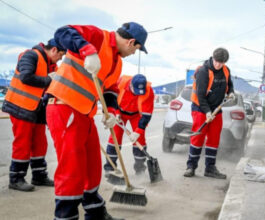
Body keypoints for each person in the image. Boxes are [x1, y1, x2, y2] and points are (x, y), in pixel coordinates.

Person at [45, 22, 147, 220]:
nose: (135, 53)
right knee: (72, 169)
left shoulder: (117, 62)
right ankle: (65, 216)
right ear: (131, 41)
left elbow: (110, 90)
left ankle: (96, 213)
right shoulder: (97, 36)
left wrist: (112, 112)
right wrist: (88, 50)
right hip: (64, 107)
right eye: (136, 49)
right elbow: (62, 32)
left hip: (84, 114)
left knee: (92, 168)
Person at [2, 39, 65, 192]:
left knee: (40, 143)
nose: (60, 59)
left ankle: (39, 175)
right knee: (22, 143)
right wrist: (49, 79)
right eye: (61, 55)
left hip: (37, 109)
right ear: (54, 50)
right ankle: (16, 178)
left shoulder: (52, 65)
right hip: (21, 106)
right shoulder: (31, 55)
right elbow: (25, 77)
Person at [184, 47, 235, 179]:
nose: (218, 65)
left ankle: (210, 168)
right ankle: (191, 167)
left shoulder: (225, 70)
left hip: (217, 109)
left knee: (213, 139)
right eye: (217, 61)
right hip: (200, 109)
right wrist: (207, 112)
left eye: (222, 63)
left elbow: (230, 85)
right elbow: (201, 96)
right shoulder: (203, 71)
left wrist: (231, 93)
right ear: (213, 58)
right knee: (198, 137)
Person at [103, 74, 154, 175]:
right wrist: (116, 113)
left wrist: (138, 131)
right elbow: (112, 99)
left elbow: (146, 115)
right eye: (136, 90)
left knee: (140, 140)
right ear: (130, 85)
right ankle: (110, 168)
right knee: (115, 138)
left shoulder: (148, 91)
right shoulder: (120, 83)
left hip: (136, 115)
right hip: (121, 113)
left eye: (141, 92)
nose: (138, 94)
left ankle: (140, 170)